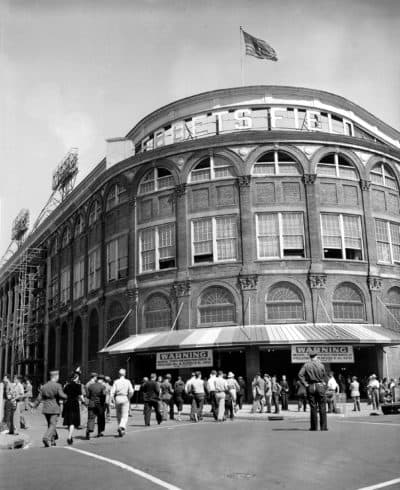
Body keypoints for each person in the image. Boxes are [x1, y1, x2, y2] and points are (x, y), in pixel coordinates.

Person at [32, 370, 67, 447]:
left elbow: (39, 398)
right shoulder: (58, 385)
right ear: (56, 377)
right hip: (54, 408)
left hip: (46, 408)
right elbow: (61, 395)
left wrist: (34, 405)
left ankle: (53, 441)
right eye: (58, 376)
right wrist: (67, 397)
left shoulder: (44, 386)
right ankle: (46, 437)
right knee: (53, 425)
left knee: (50, 425)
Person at [298, 351, 328, 431]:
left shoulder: (306, 365)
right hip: (320, 385)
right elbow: (325, 376)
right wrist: (324, 385)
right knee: (322, 406)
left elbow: (300, 375)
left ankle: (314, 427)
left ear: (309, 356)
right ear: (316, 356)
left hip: (310, 386)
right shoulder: (321, 365)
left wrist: (305, 383)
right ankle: (323, 427)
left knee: (313, 407)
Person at [110, 368, 134, 437]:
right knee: (125, 415)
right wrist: (129, 397)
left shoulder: (116, 381)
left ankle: (121, 430)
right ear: (125, 374)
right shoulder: (128, 381)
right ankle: (122, 426)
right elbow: (131, 391)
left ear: (118, 374)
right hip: (125, 397)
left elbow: (112, 392)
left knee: (118, 414)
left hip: (117, 397)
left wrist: (112, 400)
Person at [63, 372, 84, 445]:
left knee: (69, 421)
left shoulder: (67, 386)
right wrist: (83, 401)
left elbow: (63, 395)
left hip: (67, 404)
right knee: (72, 422)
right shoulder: (78, 386)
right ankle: (69, 437)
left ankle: (70, 436)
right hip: (74, 403)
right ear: (76, 378)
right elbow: (80, 396)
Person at [86, 374, 107, 440]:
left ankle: (89, 430)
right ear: (102, 380)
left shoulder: (90, 386)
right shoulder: (103, 387)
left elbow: (87, 395)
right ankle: (99, 432)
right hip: (99, 404)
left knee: (91, 418)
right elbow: (104, 395)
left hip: (91, 404)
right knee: (100, 419)